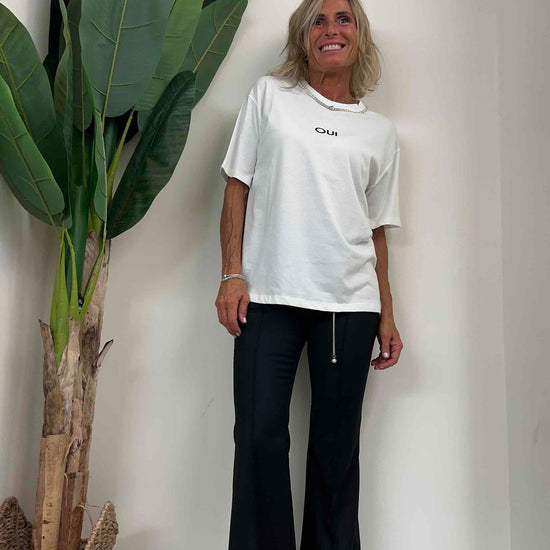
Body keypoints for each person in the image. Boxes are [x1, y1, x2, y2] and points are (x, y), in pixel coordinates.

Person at [215, 0, 404, 548]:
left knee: (336, 449)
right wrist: (231, 273)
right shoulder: (269, 98)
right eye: (317, 21)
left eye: (343, 19)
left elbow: (376, 230)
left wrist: (387, 311)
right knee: (258, 437)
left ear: (359, 37)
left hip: (350, 305)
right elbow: (237, 185)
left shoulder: (379, 133)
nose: (330, 30)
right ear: (303, 38)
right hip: (268, 296)